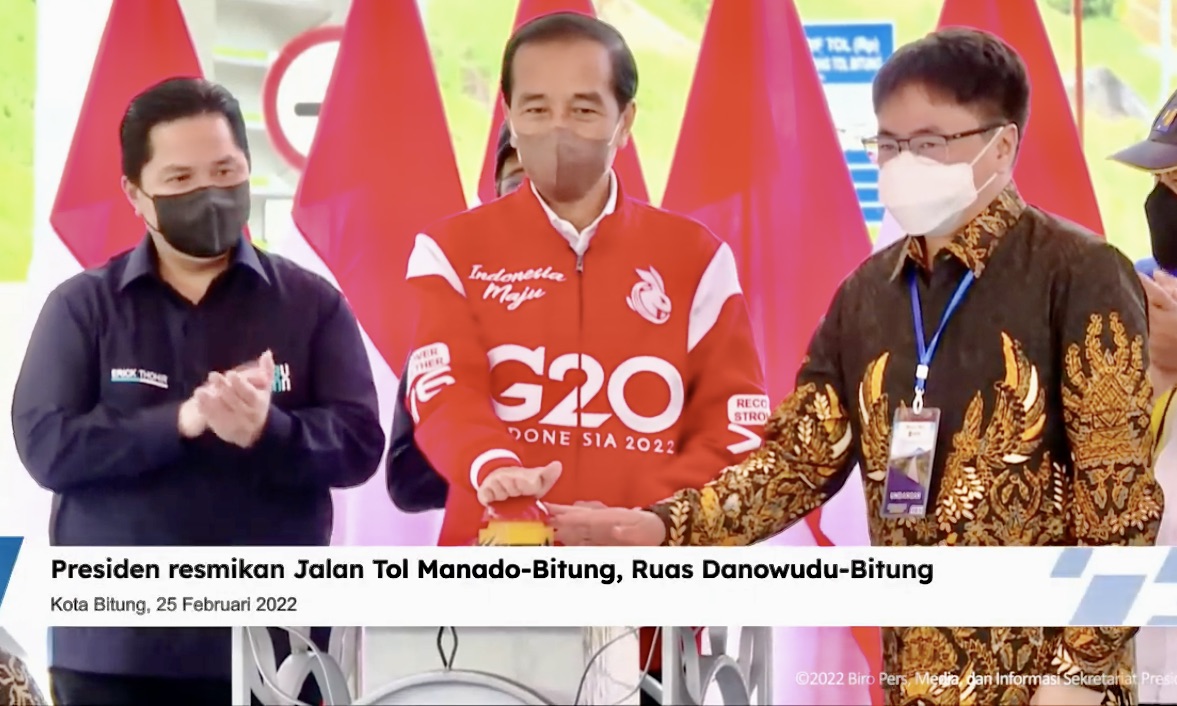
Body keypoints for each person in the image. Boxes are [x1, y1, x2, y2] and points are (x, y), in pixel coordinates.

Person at [549, 28, 1164, 706]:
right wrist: (667, 525)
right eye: (888, 144)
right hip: (913, 678)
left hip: (1050, 683)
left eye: (928, 143)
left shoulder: (1078, 275)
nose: (902, 163)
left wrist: (1078, 673)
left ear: (1001, 146)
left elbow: (1120, 505)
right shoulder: (868, 295)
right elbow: (797, 462)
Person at [401, 11, 768, 700]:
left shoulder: (695, 258)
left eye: (584, 108)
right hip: (489, 590)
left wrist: (650, 517)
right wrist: (495, 467)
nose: (558, 129)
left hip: (647, 602)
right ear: (509, 117)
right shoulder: (449, 249)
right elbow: (444, 392)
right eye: (536, 108)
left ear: (625, 121)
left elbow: (735, 425)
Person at [11, 78, 385, 705]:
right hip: (117, 650)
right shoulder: (82, 307)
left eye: (224, 171)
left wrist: (270, 431)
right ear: (136, 193)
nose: (208, 193)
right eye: (180, 179)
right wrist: (179, 422)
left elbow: (360, 444)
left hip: (277, 650)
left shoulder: (312, 304)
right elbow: (46, 445)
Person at [386, 121, 523, 513]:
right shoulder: (457, 307)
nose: (533, 198)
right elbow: (408, 481)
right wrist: (491, 467)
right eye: (518, 182)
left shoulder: (641, 306)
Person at [1109, 93, 1177, 706]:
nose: (1160, 201)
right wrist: (1156, 369)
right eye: (1158, 181)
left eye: (1176, 182)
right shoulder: (1139, 284)